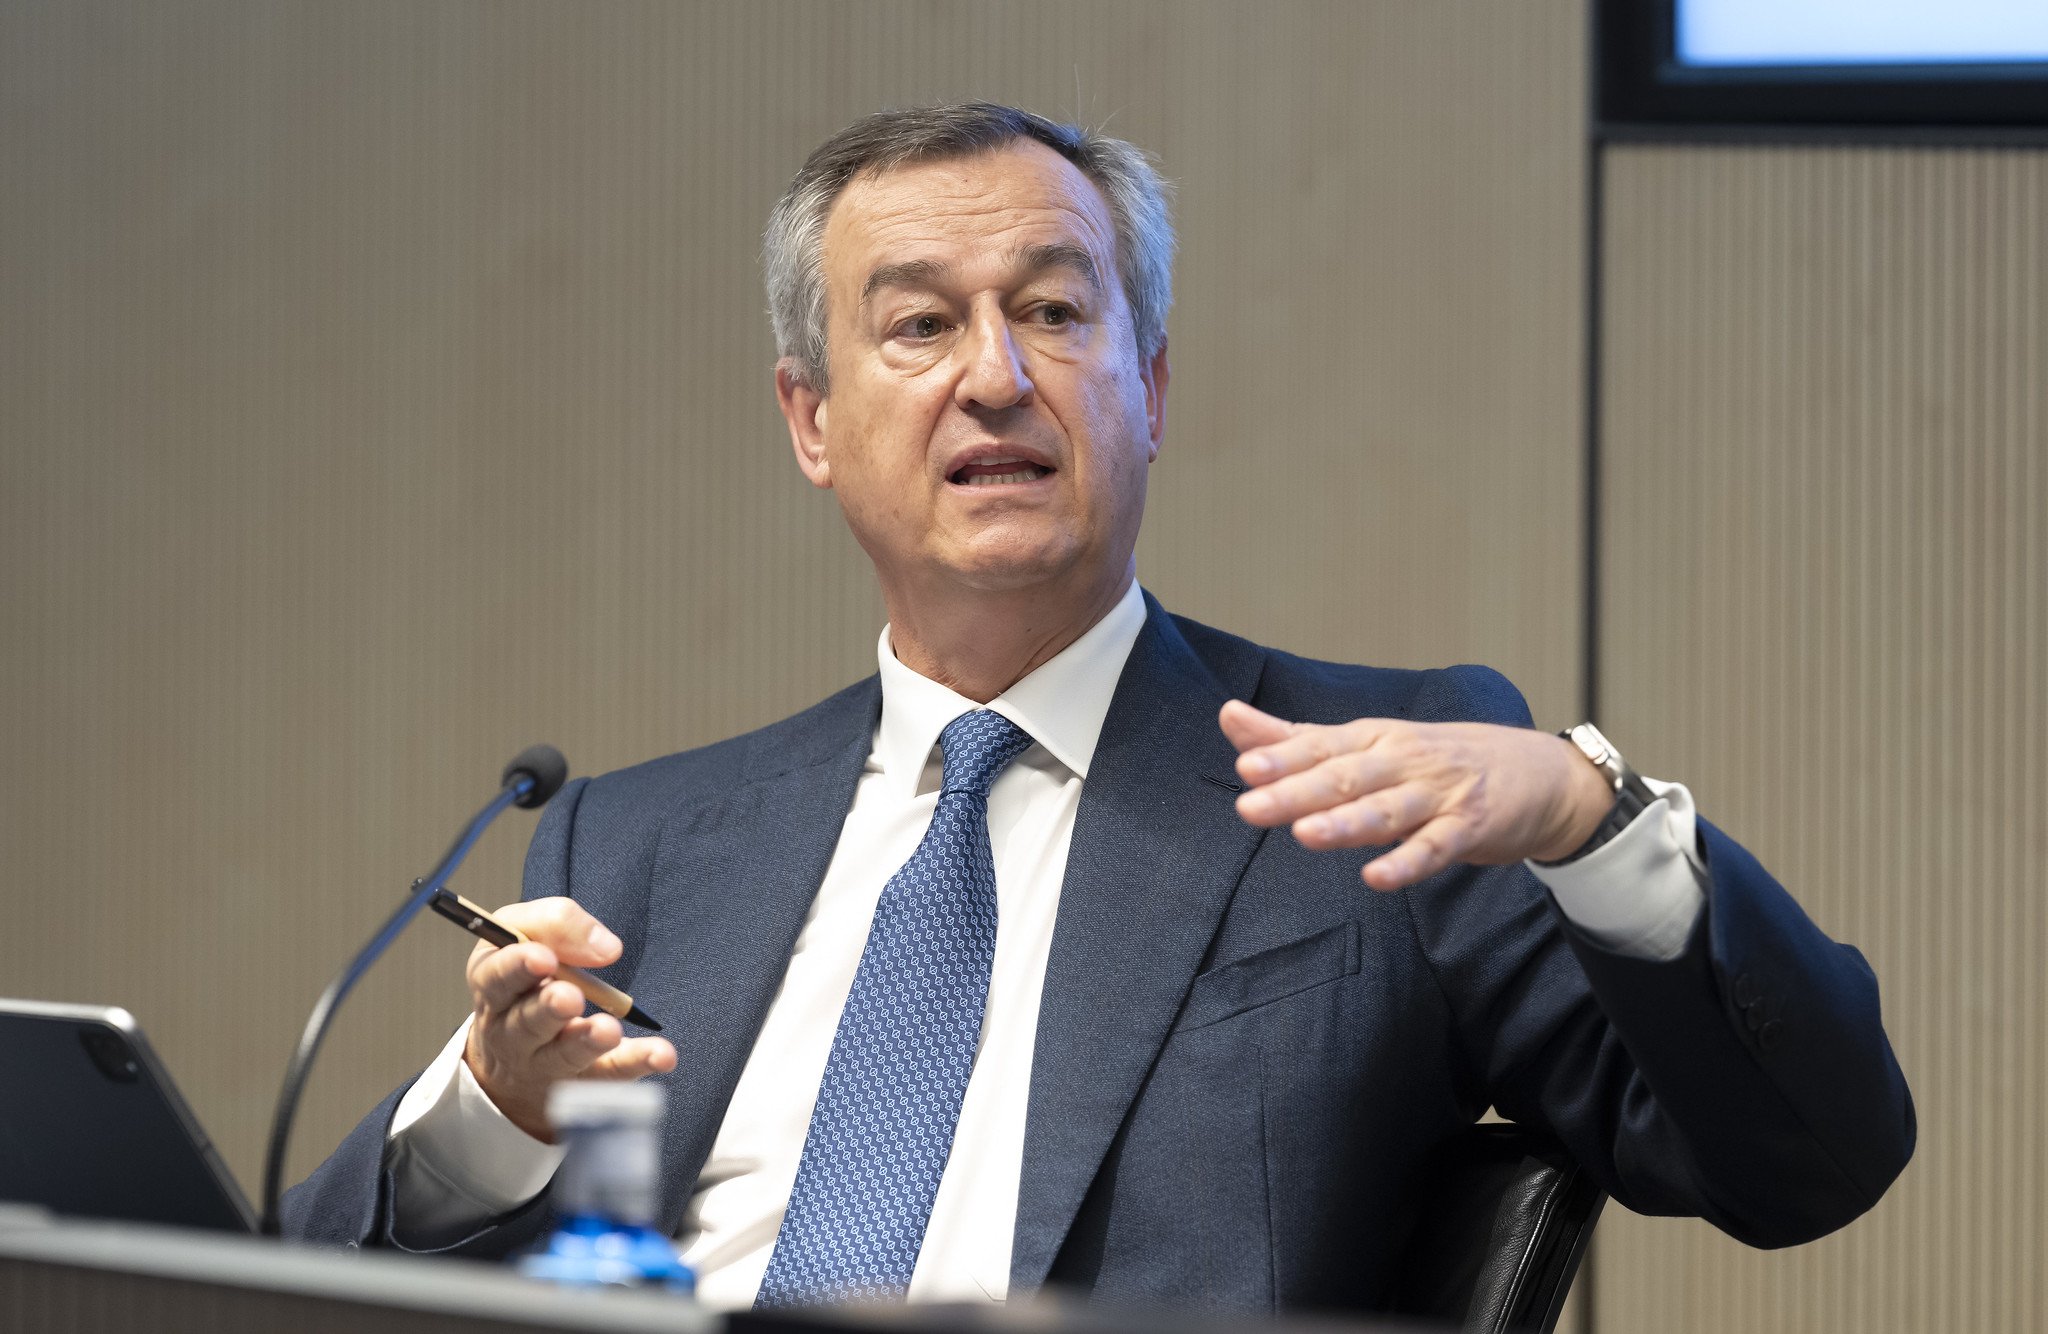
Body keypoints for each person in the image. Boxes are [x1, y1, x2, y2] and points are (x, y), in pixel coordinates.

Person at [285, 103, 1913, 1315]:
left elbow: (1808, 1160)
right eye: (919, 324)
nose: (996, 376)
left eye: (1057, 312)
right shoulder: (636, 841)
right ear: (811, 419)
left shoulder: (1378, 785)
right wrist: (492, 1118)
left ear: (1152, 385)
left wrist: (1586, 814)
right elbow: (292, 1280)